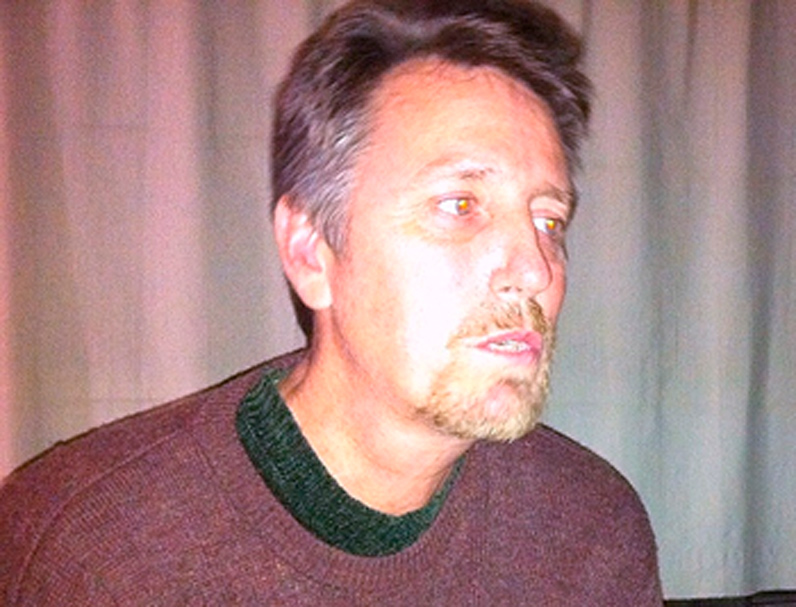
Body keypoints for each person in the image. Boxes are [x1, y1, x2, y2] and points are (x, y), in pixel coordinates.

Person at [0, 0, 663, 604]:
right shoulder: (91, 553)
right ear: (311, 251)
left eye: (549, 220)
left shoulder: (590, 529)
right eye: (460, 205)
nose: (535, 268)